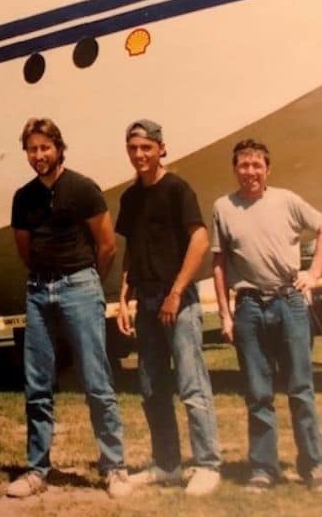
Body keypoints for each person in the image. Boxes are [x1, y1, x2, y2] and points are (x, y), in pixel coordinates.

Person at [8, 117, 131, 499]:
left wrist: (86, 279)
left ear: (59, 148)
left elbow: (106, 245)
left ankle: (115, 468)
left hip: (80, 286)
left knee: (96, 381)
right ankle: (36, 470)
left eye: (45, 147)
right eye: (32, 149)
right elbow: (25, 249)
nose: (39, 155)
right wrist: (46, 279)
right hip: (39, 292)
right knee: (38, 385)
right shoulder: (23, 197)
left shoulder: (83, 189)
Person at [115, 119, 221, 496]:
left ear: (162, 148)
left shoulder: (178, 189)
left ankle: (208, 465)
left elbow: (200, 241)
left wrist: (177, 292)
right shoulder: (130, 198)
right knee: (152, 387)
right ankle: (167, 464)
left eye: (146, 147)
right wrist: (123, 297)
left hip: (178, 302)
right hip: (144, 303)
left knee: (192, 386)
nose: (140, 155)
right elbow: (131, 250)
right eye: (133, 148)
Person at [212, 138, 322, 492]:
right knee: (258, 392)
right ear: (235, 170)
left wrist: (313, 274)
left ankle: (314, 465)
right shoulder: (223, 207)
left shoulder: (287, 200)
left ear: (267, 169)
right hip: (248, 307)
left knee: (301, 389)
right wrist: (226, 316)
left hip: (289, 301)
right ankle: (263, 467)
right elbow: (218, 265)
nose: (250, 172)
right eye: (243, 166)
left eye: (256, 165)